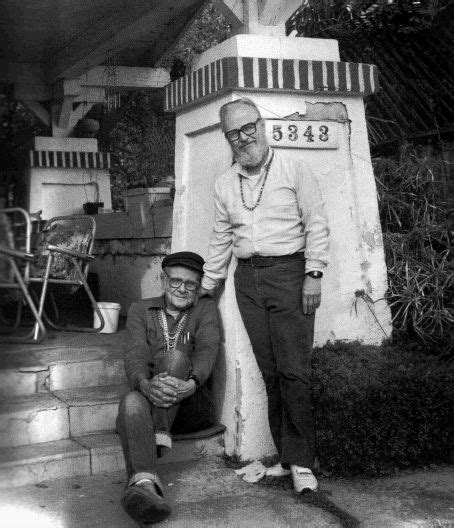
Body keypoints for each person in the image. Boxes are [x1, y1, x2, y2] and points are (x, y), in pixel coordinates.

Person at [199, 97, 329, 493]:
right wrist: (205, 287)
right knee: (270, 371)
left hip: (291, 274)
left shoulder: (294, 168)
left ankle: (304, 462)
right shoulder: (225, 183)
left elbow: (317, 223)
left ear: (262, 124)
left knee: (294, 370)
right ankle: (288, 458)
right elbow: (221, 240)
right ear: (227, 138)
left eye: (248, 127)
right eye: (233, 133)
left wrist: (314, 274)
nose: (243, 138)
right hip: (248, 281)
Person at [117, 251, 220, 524]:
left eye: (190, 284)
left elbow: (208, 350)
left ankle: (157, 434)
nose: (182, 289)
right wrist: (144, 384)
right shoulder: (141, 309)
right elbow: (136, 354)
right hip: (149, 395)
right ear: (163, 281)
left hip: (190, 403)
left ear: (198, 288)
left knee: (175, 357)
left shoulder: (204, 309)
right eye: (175, 281)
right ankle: (145, 487)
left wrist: (192, 382)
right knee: (131, 401)